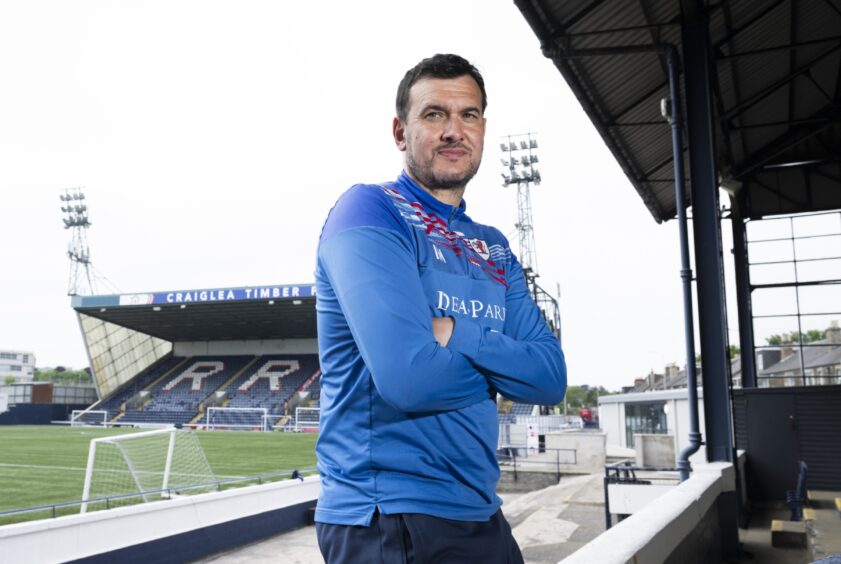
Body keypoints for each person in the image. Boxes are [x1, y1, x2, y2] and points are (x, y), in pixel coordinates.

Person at [314, 53, 567, 564]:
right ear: (400, 131)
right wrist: (501, 371)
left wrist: (458, 334)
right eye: (434, 115)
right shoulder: (370, 210)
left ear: (483, 129)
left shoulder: (493, 246)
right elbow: (409, 379)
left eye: (468, 115)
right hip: (389, 516)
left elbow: (549, 378)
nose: (455, 130)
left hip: (480, 511)